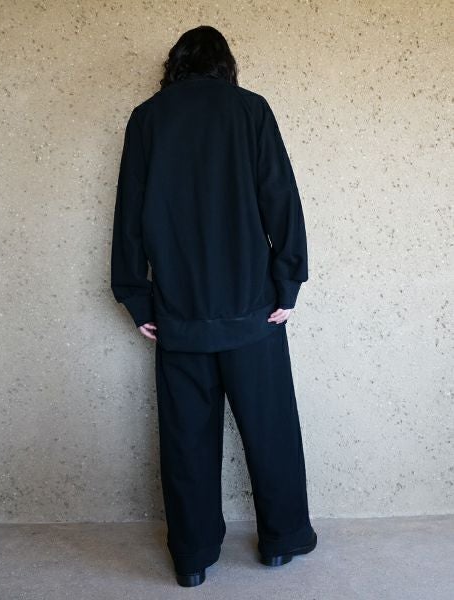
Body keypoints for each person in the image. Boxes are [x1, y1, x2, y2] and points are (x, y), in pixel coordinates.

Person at [110, 25, 317, 587]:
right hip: (253, 310)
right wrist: (288, 284)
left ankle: (193, 558)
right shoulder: (251, 111)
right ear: (225, 65)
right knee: (271, 430)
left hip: (179, 312)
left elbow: (129, 214)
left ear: (175, 65)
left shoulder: (148, 119)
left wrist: (135, 296)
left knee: (186, 441)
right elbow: (281, 198)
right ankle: (282, 541)